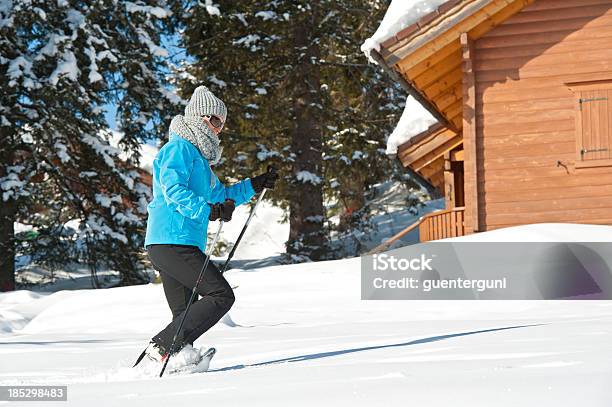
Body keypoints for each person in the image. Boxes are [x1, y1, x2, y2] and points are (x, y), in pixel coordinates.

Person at [139, 85, 278, 364]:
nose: (219, 129)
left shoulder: (201, 162)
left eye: (222, 124)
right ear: (199, 118)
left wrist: (254, 184)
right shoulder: (178, 148)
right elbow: (173, 189)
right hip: (171, 240)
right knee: (220, 295)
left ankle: (172, 359)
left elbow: (221, 196)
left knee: (185, 314)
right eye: (215, 121)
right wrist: (208, 212)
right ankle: (162, 346)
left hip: (178, 242)